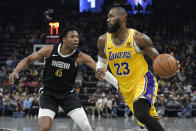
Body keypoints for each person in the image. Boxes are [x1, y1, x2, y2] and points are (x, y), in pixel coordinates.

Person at [96, 6, 179, 131]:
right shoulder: (102, 41)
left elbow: (159, 59)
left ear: (122, 17)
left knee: (141, 113)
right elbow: (101, 65)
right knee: (148, 123)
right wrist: (99, 70)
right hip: (126, 90)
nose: (108, 19)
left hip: (143, 81)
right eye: (107, 17)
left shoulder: (139, 38)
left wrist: (171, 63)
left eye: (111, 16)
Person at [9, 26, 98, 131]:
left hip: (68, 94)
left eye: (77, 36)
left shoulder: (80, 56)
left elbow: (98, 67)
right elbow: (28, 59)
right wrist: (16, 71)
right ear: (64, 39)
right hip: (48, 94)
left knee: (86, 127)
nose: (76, 39)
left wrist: (113, 80)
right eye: (72, 36)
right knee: (44, 128)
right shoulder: (50, 50)